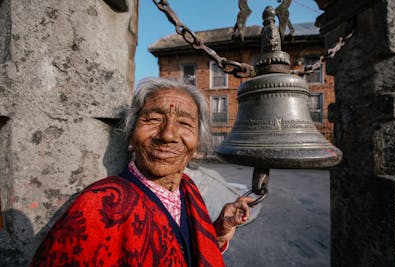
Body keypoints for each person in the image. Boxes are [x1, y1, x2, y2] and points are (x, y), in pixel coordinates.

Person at [31, 77, 254, 267]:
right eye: (154, 119)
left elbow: (186, 250)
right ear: (131, 135)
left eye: (185, 123)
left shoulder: (187, 188)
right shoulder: (100, 205)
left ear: (196, 143)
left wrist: (221, 229)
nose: (167, 135)